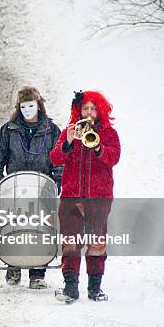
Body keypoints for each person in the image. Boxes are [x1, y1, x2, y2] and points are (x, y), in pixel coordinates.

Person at [0, 86, 63, 289]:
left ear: (39, 105)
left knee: (40, 227)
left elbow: (59, 159)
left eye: (31, 105)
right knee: (15, 224)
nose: (27, 110)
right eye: (23, 106)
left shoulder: (52, 130)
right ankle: (13, 263)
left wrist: (56, 181)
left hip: (42, 186)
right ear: (18, 107)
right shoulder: (9, 129)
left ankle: (37, 271)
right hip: (15, 186)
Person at [50, 90, 120, 303]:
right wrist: (68, 142)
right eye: (85, 109)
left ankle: (95, 287)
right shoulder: (69, 131)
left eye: (93, 109)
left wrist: (98, 146)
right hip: (72, 196)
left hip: (99, 197)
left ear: (100, 111)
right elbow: (54, 159)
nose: (89, 113)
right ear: (78, 111)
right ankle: (71, 287)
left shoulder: (109, 134)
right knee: (70, 242)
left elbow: (114, 158)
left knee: (97, 242)